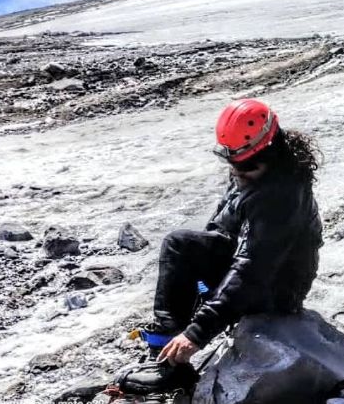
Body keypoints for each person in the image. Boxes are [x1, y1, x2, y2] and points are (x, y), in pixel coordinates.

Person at [116, 98, 324, 393]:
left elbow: (253, 269)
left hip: (278, 289)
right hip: (255, 270)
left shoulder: (282, 195)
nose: (238, 173)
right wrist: (201, 291)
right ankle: (164, 352)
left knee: (179, 244)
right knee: (183, 248)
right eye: (234, 165)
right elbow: (220, 230)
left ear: (270, 152)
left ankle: (171, 365)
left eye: (247, 168)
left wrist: (196, 333)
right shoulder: (255, 169)